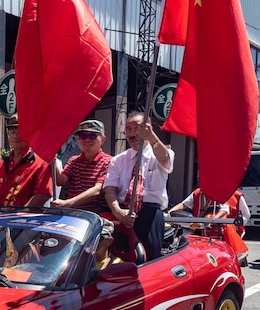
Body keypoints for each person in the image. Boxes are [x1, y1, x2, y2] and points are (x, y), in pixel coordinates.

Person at [103, 111, 174, 261]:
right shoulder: (118, 160)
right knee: (118, 259)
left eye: (137, 128)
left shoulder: (161, 153)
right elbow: (110, 188)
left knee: (148, 259)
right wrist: (117, 211)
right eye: (128, 129)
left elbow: (165, 159)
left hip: (150, 213)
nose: (132, 133)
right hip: (123, 212)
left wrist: (152, 137)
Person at [0, 114, 53, 208]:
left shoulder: (40, 163)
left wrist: (20, 213)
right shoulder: (5, 161)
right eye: (12, 132)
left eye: (21, 132)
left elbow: (42, 195)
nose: (16, 136)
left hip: (21, 220)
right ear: (8, 136)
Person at [51, 119, 112, 213]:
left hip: (96, 216)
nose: (87, 140)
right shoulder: (74, 160)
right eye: (83, 136)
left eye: (92, 136)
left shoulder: (109, 162)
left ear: (102, 139)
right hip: (73, 214)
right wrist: (53, 162)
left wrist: (68, 203)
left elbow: (97, 190)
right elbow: (61, 181)